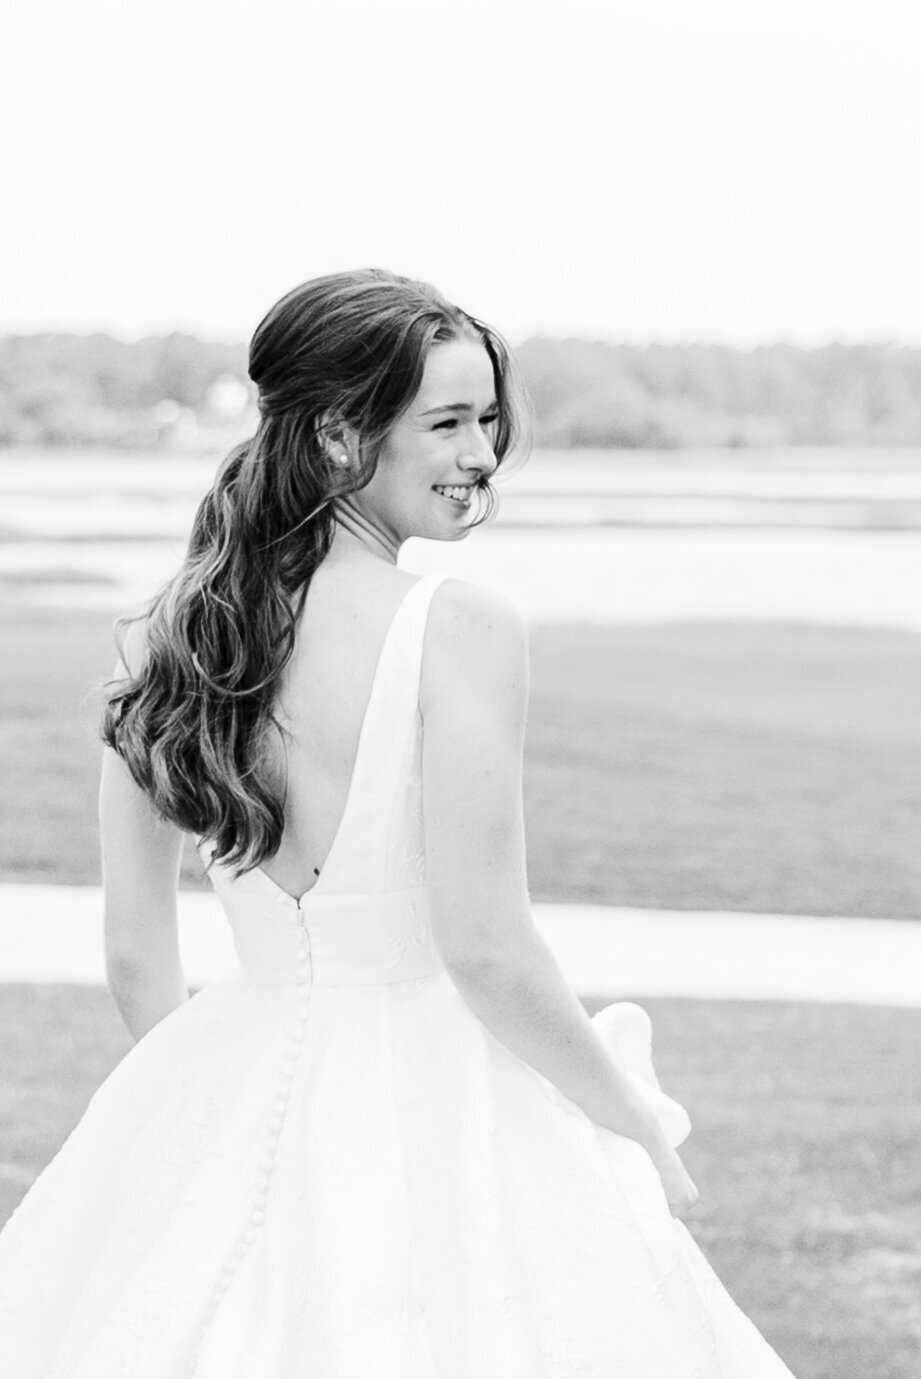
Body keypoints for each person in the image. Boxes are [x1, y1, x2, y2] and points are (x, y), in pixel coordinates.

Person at [0, 269, 797, 1376]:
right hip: (447, 1098)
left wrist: (217, 1123)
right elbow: (485, 948)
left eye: (489, 420)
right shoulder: (457, 628)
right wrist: (631, 1119)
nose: (483, 453)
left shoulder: (161, 637)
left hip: (237, 1070)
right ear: (338, 433)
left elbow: (139, 957)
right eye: (449, 422)